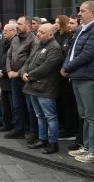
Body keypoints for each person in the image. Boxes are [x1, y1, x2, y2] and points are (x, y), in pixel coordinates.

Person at [62, 1, 94, 163]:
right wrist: (67, 66)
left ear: (93, 13)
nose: (79, 13)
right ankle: (87, 146)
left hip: (90, 78)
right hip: (79, 76)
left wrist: (67, 68)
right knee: (85, 114)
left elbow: (87, 55)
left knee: (93, 115)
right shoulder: (84, 29)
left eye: (82, 11)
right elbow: (72, 51)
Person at [20, 23, 64, 153]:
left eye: (41, 32)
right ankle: (42, 139)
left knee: (50, 116)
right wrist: (23, 72)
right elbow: (28, 61)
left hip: (46, 88)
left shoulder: (55, 48)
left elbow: (48, 67)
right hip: (33, 87)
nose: (38, 34)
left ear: (51, 34)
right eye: (38, 31)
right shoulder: (38, 44)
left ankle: (53, 143)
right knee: (40, 116)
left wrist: (30, 75)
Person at [4, 16, 36, 139]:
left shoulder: (34, 40)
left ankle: (33, 132)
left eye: (20, 24)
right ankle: (19, 129)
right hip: (14, 78)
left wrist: (18, 73)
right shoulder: (15, 39)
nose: (17, 26)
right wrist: (9, 70)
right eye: (17, 23)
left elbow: (31, 59)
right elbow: (9, 56)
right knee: (17, 106)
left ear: (28, 26)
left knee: (30, 107)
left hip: (25, 78)